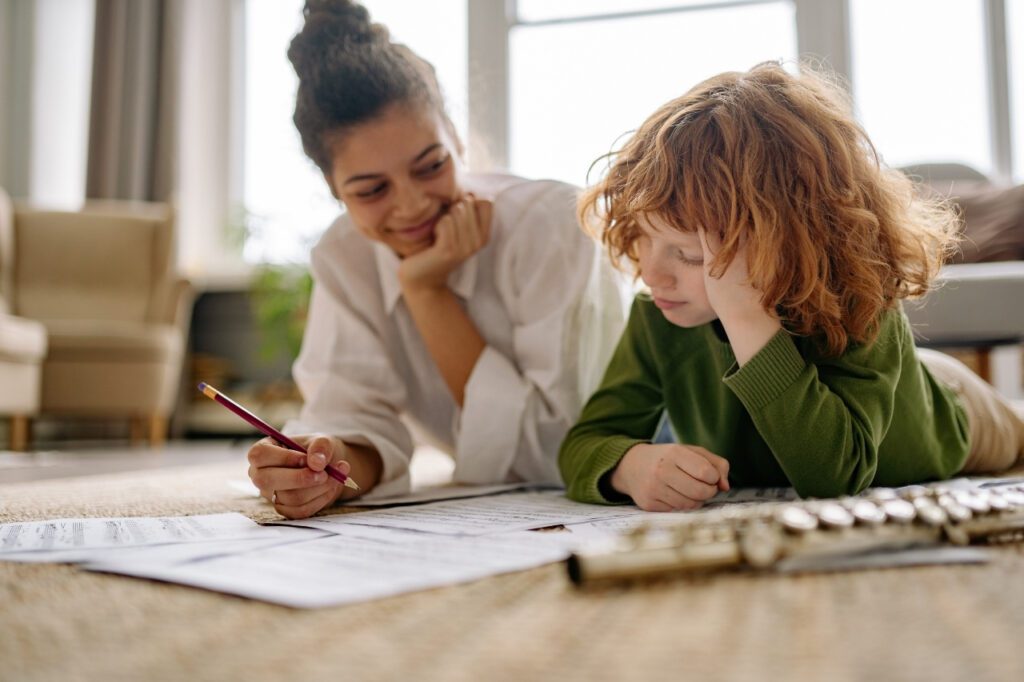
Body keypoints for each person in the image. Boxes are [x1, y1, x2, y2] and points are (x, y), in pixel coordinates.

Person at [559, 61, 1024, 511]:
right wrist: (628, 466)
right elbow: (585, 443)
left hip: (953, 409)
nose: (651, 274)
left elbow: (834, 475)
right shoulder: (657, 315)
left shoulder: (863, 302)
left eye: (689, 254)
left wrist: (745, 317)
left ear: (784, 244)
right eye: (644, 238)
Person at [246, 0, 625, 519]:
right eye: (371, 189)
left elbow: (562, 452)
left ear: (456, 137)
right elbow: (353, 413)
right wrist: (327, 467)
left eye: (430, 166)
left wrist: (427, 292)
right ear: (334, 190)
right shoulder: (343, 254)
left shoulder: (550, 226)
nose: (413, 205)